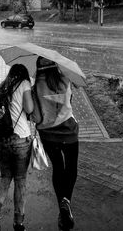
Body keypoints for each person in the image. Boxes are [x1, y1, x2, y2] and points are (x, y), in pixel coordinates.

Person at [32, 56, 79, 231]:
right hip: (69, 132)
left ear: (38, 68)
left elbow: (35, 116)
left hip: (47, 135)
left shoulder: (34, 87)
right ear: (55, 66)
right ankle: (66, 201)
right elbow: (69, 102)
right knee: (71, 168)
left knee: (58, 167)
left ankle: (62, 205)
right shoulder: (66, 79)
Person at [0, 64, 34, 231]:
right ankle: (18, 223)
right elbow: (29, 109)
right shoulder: (25, 84)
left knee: (5, 176)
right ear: (24, 74)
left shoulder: (1, 86)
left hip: (0, 140)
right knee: (20, 180)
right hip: (20, 139)